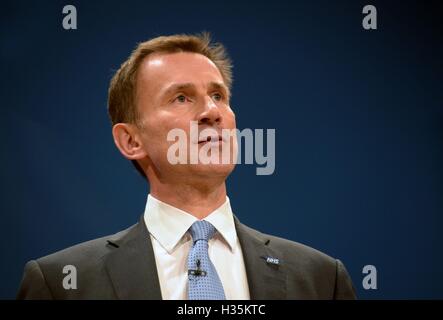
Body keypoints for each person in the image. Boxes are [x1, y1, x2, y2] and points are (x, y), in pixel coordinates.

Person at [17, 33, 356, 300]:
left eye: (219, 96)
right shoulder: (62, 283)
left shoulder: (321, 279)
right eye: (181, 97)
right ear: (131, 141)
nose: (212, 111)